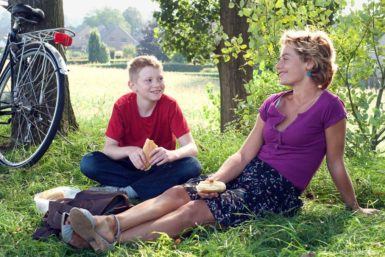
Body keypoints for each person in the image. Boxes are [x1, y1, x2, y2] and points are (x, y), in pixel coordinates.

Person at [67, 30, 378, 252]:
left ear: (310, 63)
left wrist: (353, 207)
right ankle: (107, 222)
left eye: (285, 58)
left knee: (194, 212)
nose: (278, 64)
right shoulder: (272, 103)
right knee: (181, 191)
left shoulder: (330, 107)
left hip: (277, 190)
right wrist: (215, 179)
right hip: (248, 174)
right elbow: (243, 155)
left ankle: (111, 235)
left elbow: (335, 162)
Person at [79, 55, 201, 200]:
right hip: (127, 166)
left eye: (160, 79)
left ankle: (126, 191)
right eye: (149, 80)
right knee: (89, 162)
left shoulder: (170, 105)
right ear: (133, 86)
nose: (156, 84)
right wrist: (130, 151)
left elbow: (192, 148)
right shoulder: (122, 106)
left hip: (159, 166)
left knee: (192, 165)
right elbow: (109, 149)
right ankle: (149, 187)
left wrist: (171, 154)